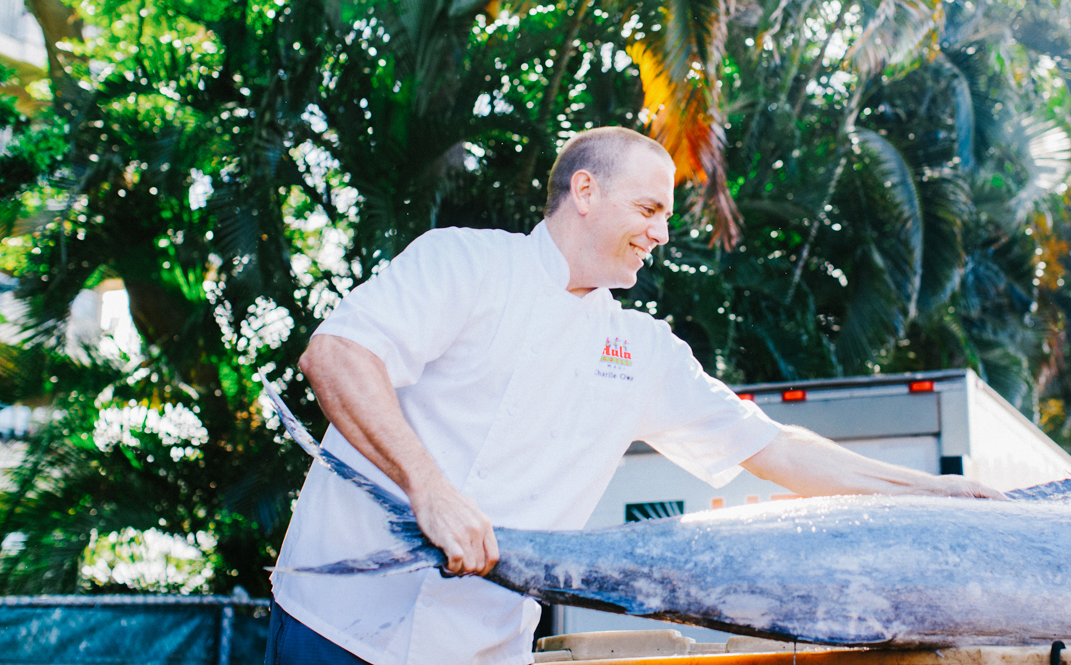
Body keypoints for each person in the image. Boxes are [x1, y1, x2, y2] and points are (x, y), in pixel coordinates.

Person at [266, 127, 1001, 665]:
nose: (660, 234)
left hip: (480, 650)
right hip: (336, 626)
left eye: (667, 219)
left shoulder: (642, 351)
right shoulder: (463, 263)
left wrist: (932, 493)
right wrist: (430, 489)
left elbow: (776, 449)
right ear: (585, 191)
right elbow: (335, 356)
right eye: (649, 210)